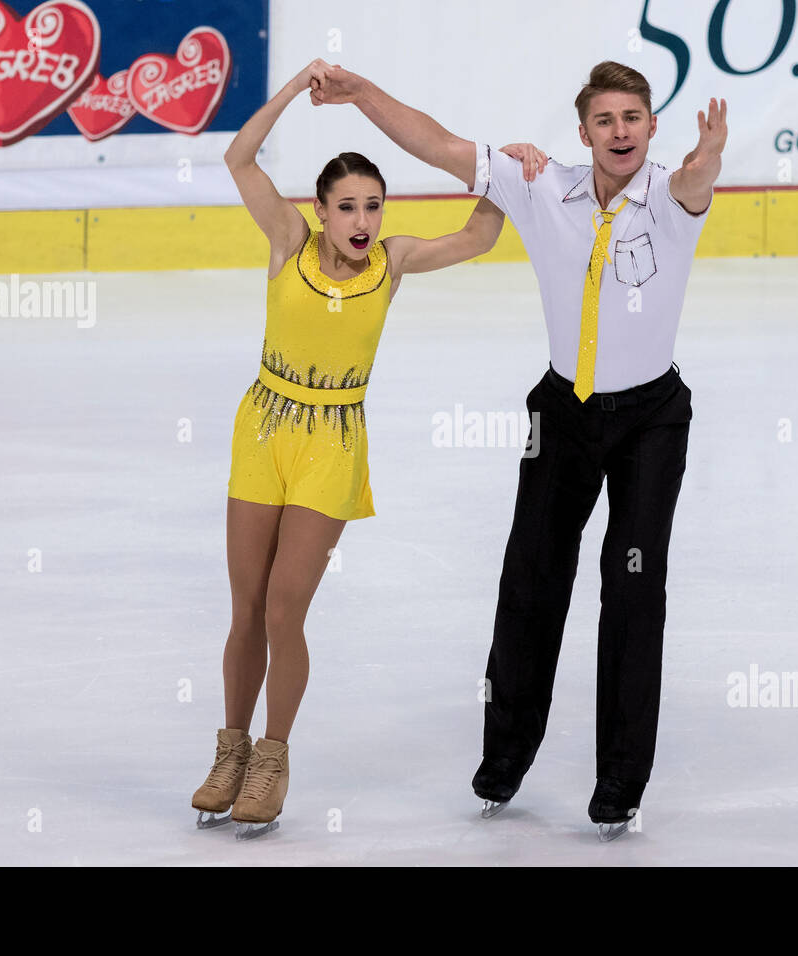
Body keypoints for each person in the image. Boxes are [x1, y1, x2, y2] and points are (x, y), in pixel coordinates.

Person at [311, 59, 726, 837]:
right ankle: (504, 761)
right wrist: (363, 94)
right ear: (583, 133)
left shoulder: (671, 196)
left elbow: (700, 179)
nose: (620, 132)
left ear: (651, 127)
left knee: (633, 590)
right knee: (530, 580)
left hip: (651, 421)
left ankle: (620, 784)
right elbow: (435, 144)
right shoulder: (541, 186)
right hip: (561, 415)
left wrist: (712, 150)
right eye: (604, 121)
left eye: (632, 117)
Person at [191, 59, 552, 839]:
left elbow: (481, 236)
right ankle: (230, 751)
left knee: (286, 609)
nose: (363, 220)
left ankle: (273, 758)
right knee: (245, 608)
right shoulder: (286, 239)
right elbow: (238, 159)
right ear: (319, 210)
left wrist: (504, 165)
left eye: (374, 207)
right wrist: (291, 92)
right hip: (262, 429)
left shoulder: (393, 264)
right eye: (348, 206)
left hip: (331, 443)